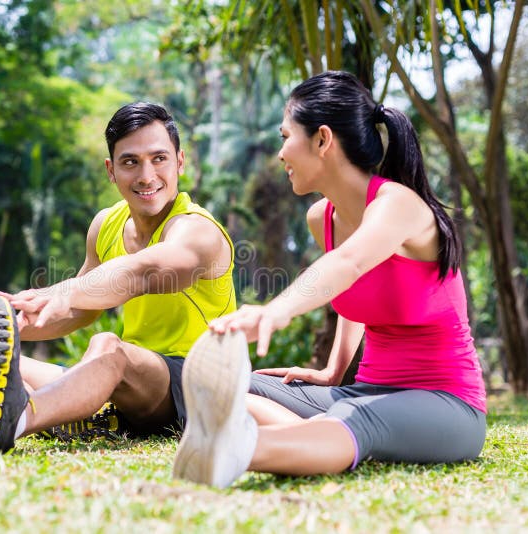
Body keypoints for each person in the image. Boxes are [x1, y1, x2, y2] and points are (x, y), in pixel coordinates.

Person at [172, 71, 487, 488]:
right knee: (240, 390)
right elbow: (350, 287)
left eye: (286, 137)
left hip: (446, 403)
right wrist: (334, 371)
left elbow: (350, 264)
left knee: (358, 421)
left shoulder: (398, 204)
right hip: (365, 391)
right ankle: (310, 437)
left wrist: (274, 312)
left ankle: (243, 449)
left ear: (322, 140)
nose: (280, 153)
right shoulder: (323, 218)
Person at [0, 102, 236, 454]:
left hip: (199, 384)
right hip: (132, 384)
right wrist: (0, 334)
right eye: (130, 162)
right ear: (111, 170)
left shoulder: (197, 230)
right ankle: (87, 415)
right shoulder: (106, 225)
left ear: (180, 161)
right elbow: (83, 309)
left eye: (159, 159)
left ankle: (20, 419)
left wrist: (61, 291)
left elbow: (141, 272)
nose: (146, 176)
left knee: (106, 347)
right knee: (1, 363)